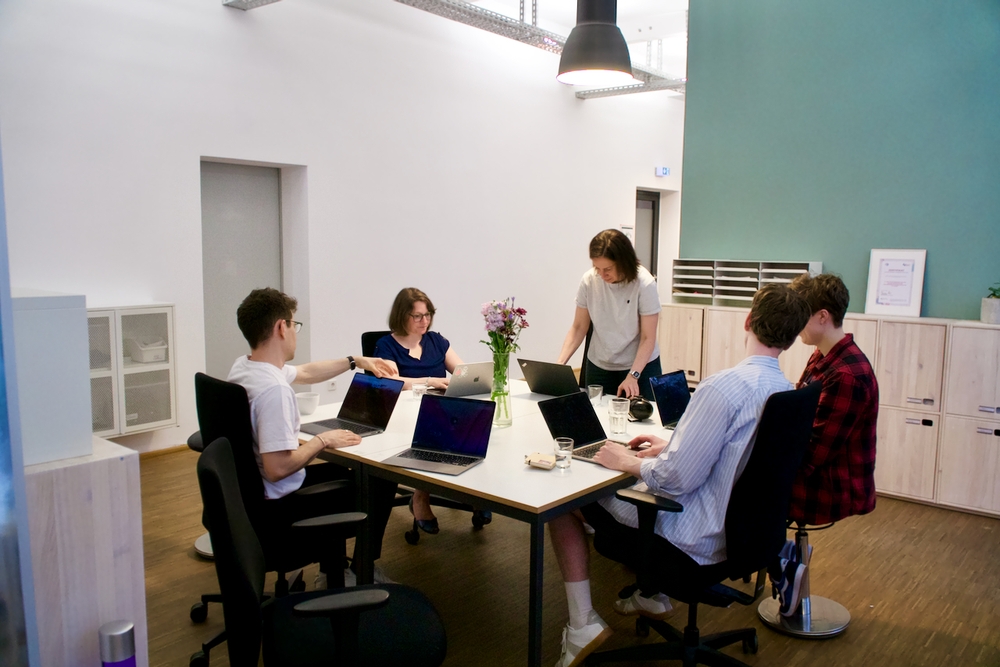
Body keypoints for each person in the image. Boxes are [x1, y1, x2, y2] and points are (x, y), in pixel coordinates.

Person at [547, 284, 811, 667]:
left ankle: (582, 623)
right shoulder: (784, 389)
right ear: (791, 338)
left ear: (748, 320)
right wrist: (667, 448)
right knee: (639, 476)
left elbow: (674, 480)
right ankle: (651, 593)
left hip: (692, 537)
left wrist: (628, 461)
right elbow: (734, 458)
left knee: (566, 498)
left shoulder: (723, 387)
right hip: (742, 536)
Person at [227, 287, 399, 587]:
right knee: (379, 481)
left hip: (253, 498)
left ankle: (331, 568)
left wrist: (356, 361)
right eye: (294, 324)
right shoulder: (274, 391)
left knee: (346, 473)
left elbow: (306, 372)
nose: (296, 331)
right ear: (282, 327)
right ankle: (359, 573)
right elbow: (277, 467)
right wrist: (323, 440)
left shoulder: (246, 367)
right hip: (282, 507)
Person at [373, 287, 491, 534]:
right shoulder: (386, 346)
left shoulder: (436, 340)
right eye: (417, 316)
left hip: (441, 409)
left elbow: (463, 371)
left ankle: (475, 492)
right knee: (439, 431)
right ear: (401, 315)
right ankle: (420, 496)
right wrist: (430, 381)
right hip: (404, 413)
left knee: (478, 422)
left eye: (428, 315)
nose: (424, 321)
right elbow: (395, 382)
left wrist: (472, 379)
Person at [557, 229, 662, 400]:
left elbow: (647, 338)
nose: (602, 274)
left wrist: (633, 376)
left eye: (608, 269)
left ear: (624, 261)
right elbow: (578, 327)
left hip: (639, 366)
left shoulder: (644, 283)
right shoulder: (589, 280)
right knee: (597, 417)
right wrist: (560, 365)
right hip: (600, 364)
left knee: (639, 421)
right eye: (597, 267)